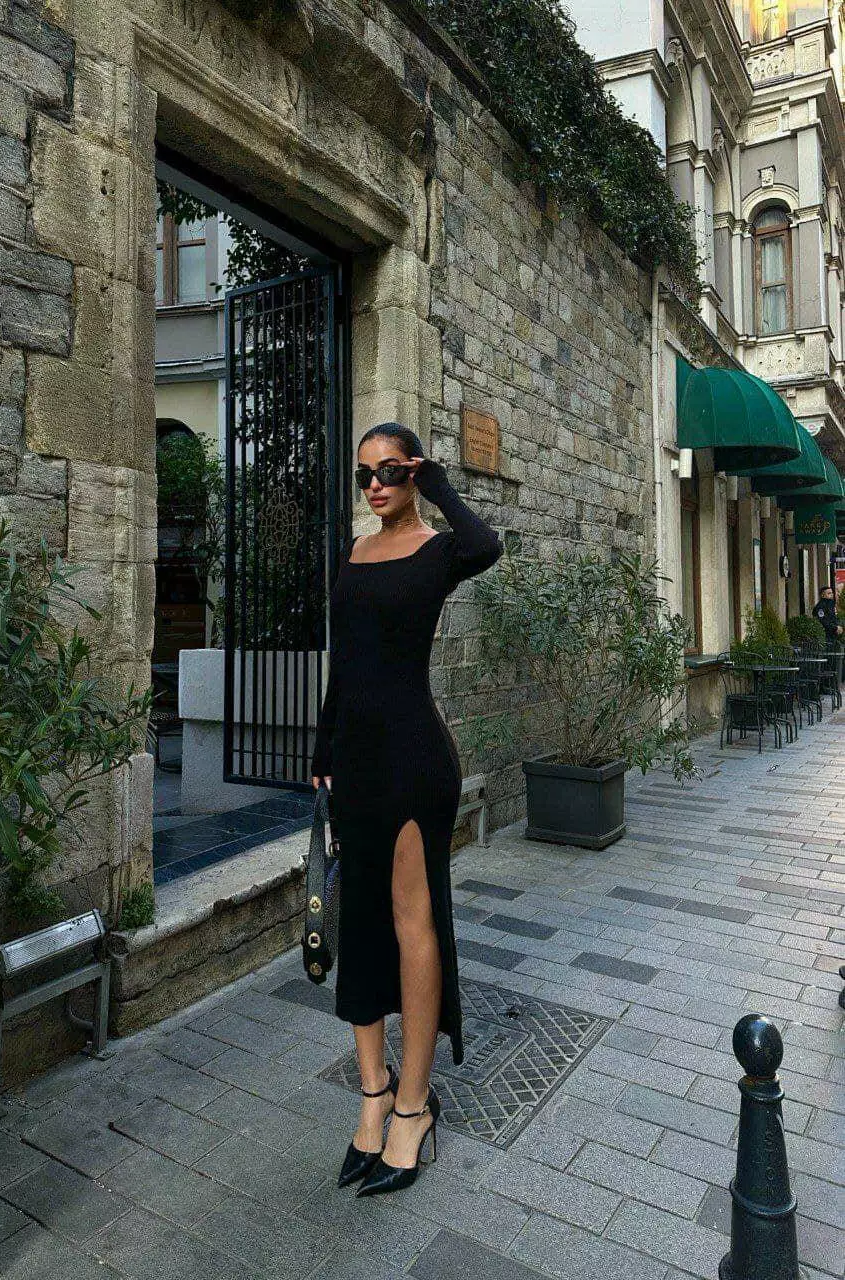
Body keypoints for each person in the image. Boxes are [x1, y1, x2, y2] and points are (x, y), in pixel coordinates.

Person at [310, 421, 503, 1196]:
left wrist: (438, 482)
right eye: (365, 474)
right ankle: (373, 1092)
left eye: (389, 471)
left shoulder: (438, 551)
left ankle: (415, 1106)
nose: (375, 486)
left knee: (410, 920)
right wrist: (321, 751)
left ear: (412, 472)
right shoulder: (352, 553)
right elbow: (344, 662)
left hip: (414, 761)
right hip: (353, 762)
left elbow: (485, 545)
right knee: (358, 921)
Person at [813, 585, 843, 680]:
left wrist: (838, 627)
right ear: (823, 595)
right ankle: (826, 683)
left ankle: (831, 682)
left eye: (832, 593)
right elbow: (823, 621)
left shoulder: (830, 605)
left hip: (833, 636)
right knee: (827, 660)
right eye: (829, 593)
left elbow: (833, 619)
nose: (832, 595)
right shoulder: (820, 607)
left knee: (832, 661)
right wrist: (835, 628)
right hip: (826, 637)